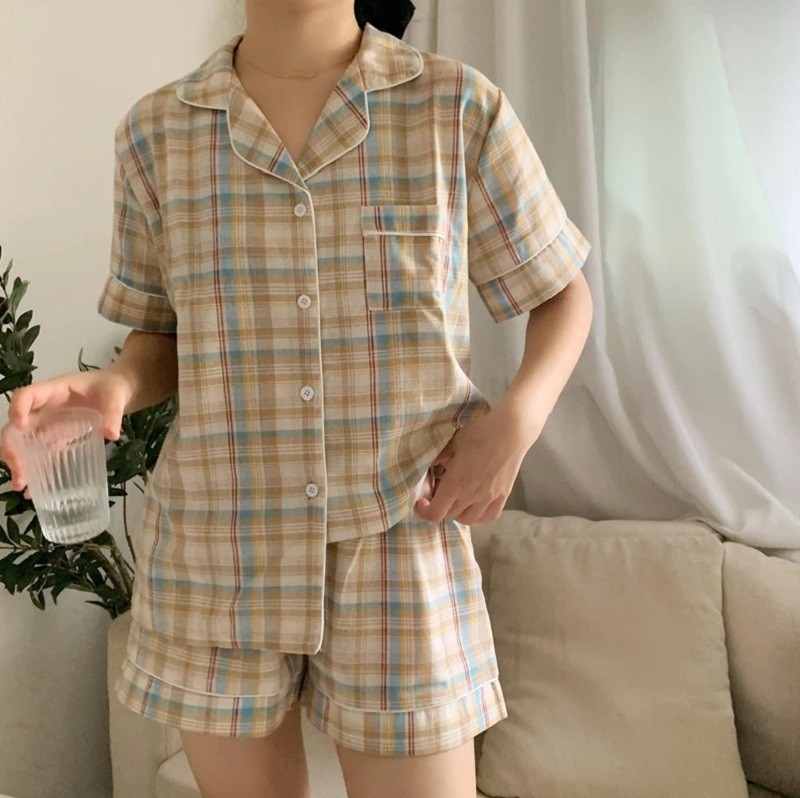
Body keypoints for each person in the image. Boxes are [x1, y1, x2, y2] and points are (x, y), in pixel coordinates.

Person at [0, 1, 593, 796]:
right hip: (216, 549)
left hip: (398, 541)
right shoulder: (156, 133)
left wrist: (515, 424)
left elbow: (563, 294)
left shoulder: (456, 107)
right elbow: (163, 332)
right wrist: (117, 385)